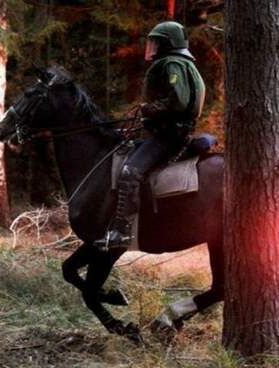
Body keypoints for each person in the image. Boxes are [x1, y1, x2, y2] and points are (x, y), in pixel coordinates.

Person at [95, 21, 206, 249]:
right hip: (171, 132)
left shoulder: (171, 64)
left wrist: (150, 108)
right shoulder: (185, 63)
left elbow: (179, 100)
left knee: (130, 171)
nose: (152, 47)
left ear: (167, 43)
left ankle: (121, 233)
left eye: (156, 42)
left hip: (168, 136)